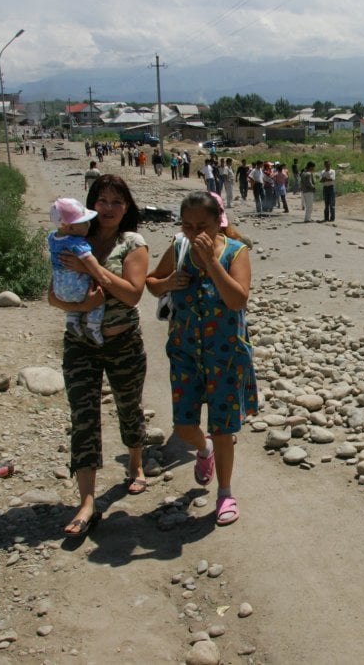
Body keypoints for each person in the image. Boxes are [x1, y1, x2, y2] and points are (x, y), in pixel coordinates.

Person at [145, 192, 257, 526]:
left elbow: (238, 300)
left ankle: (225, 494)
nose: (196, 234)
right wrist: (166, 282)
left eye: (203, 226)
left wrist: (210, 262)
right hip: (185, 353)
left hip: (225, 355)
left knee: (223, 429)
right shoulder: (179, 247)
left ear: (218, 222)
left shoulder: (236, 252)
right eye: (188, 225)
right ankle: (203, 450)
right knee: (184, 426)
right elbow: (151, 283)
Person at [48, 175, 150, 536]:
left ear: (127, 208)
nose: (109, 209)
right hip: (80, 342)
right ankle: (87, 500)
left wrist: (92, 269)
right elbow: (52, 295)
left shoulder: (132, 243)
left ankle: (135, 463)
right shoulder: (74, 239)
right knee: (83, 416)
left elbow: (133, 295)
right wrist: (83, 302)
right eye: (102, 201)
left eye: (117, 202)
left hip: (122, 341)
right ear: (91, 205)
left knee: (128, 405)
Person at [48, 197, 106, 344]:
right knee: (98, 300)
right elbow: (88, 259)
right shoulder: (76, 242)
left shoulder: (53, 238)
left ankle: (72, 320)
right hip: (76, 286)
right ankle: (93, 326)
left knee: (71, 301)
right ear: (70, 228)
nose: (88, 225)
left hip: (58, 287)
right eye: (84, 222)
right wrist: (100, 275)